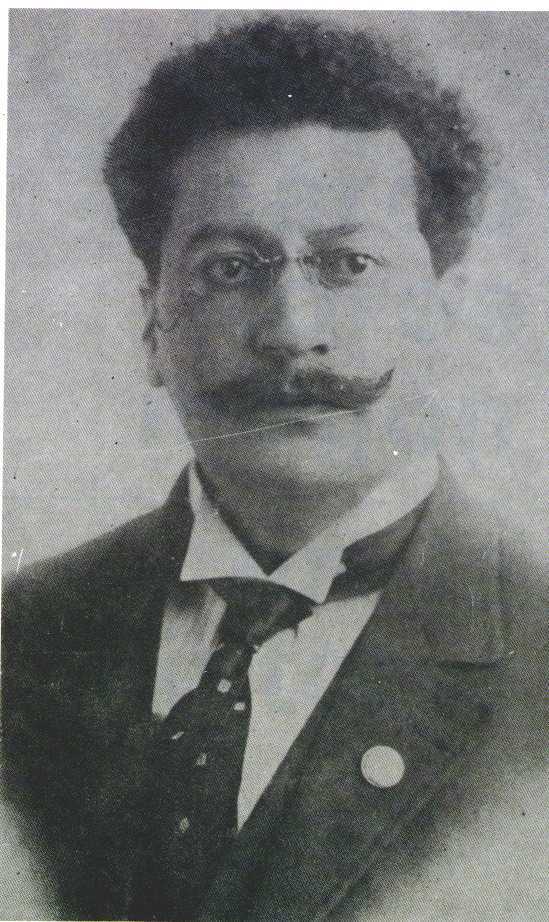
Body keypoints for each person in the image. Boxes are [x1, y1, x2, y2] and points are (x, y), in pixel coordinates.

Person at [2, 16, 547, 922]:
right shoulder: (21, 636)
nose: (292, 331)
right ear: (151, 325)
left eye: (349, 264)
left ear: (442, 314)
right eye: (230, 269)